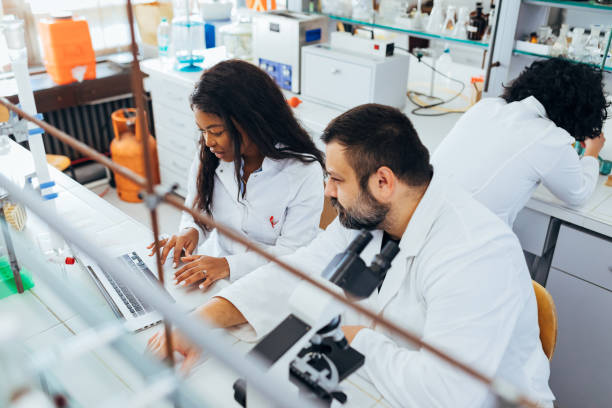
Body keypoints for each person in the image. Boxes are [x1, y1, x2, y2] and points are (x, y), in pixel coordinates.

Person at [147, 104, 555, 407]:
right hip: (387, 385)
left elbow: (447, 393)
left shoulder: (475, 254)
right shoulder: (373, 216)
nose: (327, 191)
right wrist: (198, 324)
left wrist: (360, 341)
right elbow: (300, 271)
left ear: (383, 181)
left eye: (336, 179)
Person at [148, 60, 325, 290]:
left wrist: (228, 265)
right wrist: (191, 230)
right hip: (216, 273)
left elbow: (292, 253)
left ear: (252, 121)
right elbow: (198, 209)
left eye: (217, 132)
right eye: (203, 131)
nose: (209, 142)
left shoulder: (302, 170)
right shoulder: (212, 156)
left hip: (274, 283)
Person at [432, 58, 608, 226]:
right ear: (579, 111)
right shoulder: (549, 138)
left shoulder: (487, 106)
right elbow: (578, 195)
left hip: (423, 216)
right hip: (461, 238)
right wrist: (592, 152)